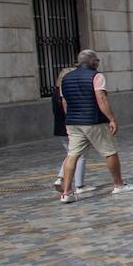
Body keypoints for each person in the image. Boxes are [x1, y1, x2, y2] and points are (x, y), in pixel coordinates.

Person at [57, 50, 133, 202]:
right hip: (93, 120)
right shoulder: (96, 76)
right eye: (97, 61)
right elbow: (101, 98)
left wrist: (71, 117)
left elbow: (64, 102)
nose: (98, 63)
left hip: (73, 122)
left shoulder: (65, 78)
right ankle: (118, 184)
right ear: (92, 61)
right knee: (110, 151)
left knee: (72, 154)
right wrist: (111, 118)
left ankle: (66, 192)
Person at [51, 65, 91, 195]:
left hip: (60, 126)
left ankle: (60, 177)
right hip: (71, 125)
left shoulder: (55, 92)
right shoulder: (67, 92)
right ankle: (79, 185)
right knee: (80, 155)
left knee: (72, 153)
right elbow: (67, 108)